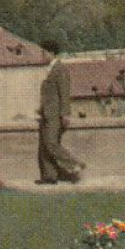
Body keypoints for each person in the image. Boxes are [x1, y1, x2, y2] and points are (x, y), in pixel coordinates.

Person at [36, 40, 83, 185]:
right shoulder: (51, 69)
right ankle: (49, 176)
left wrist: (65, 114)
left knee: (51, 143)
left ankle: (74, 164)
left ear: (51, 53)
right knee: (44, 147)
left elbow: (64, 92)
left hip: (55, 114)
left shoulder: (60, 69)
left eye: (44, 52)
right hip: (47, 113)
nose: (42, 55)